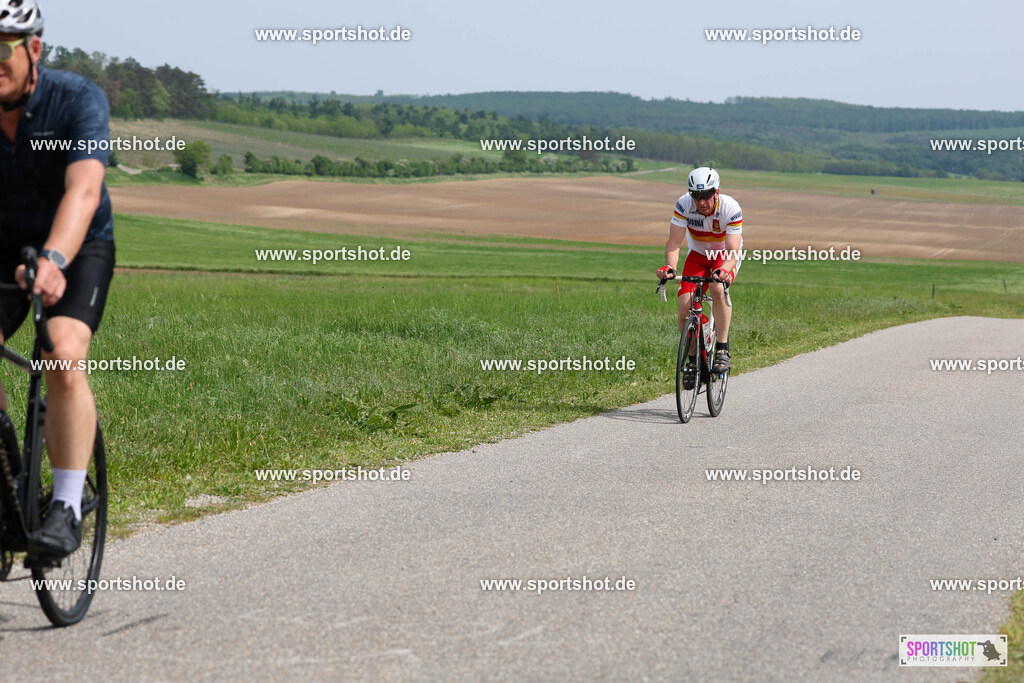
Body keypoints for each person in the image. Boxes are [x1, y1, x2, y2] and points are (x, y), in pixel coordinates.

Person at [0, 0, 115, 558]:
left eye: (2, 47)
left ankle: (67, 506)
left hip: (77, 244)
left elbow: (84, 191)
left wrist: (53, 259)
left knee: (63, 355)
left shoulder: (75, 100)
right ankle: (8, 487)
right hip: (2, 248)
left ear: (33, 49)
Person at [656, 167, 742, 387]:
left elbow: (733, 251)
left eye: (706, 195)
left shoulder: (730, 208)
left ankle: (722, 349)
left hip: (723, 255)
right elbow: (674, 243)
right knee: (685, 309)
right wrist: (670, 267)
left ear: (717, 192)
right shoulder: (684, 204)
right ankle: (693, 362)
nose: (701, 201)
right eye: (696, 196)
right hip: (697, 255)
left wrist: (724, 270)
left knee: (717, 289)